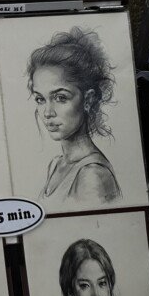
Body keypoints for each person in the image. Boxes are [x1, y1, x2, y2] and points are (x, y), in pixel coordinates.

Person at [27, 26, 122, 204]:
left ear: (88, 99)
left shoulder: (92, 174)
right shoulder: (55, 165)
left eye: (60, 97)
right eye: (40, 99)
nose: (47, 113)